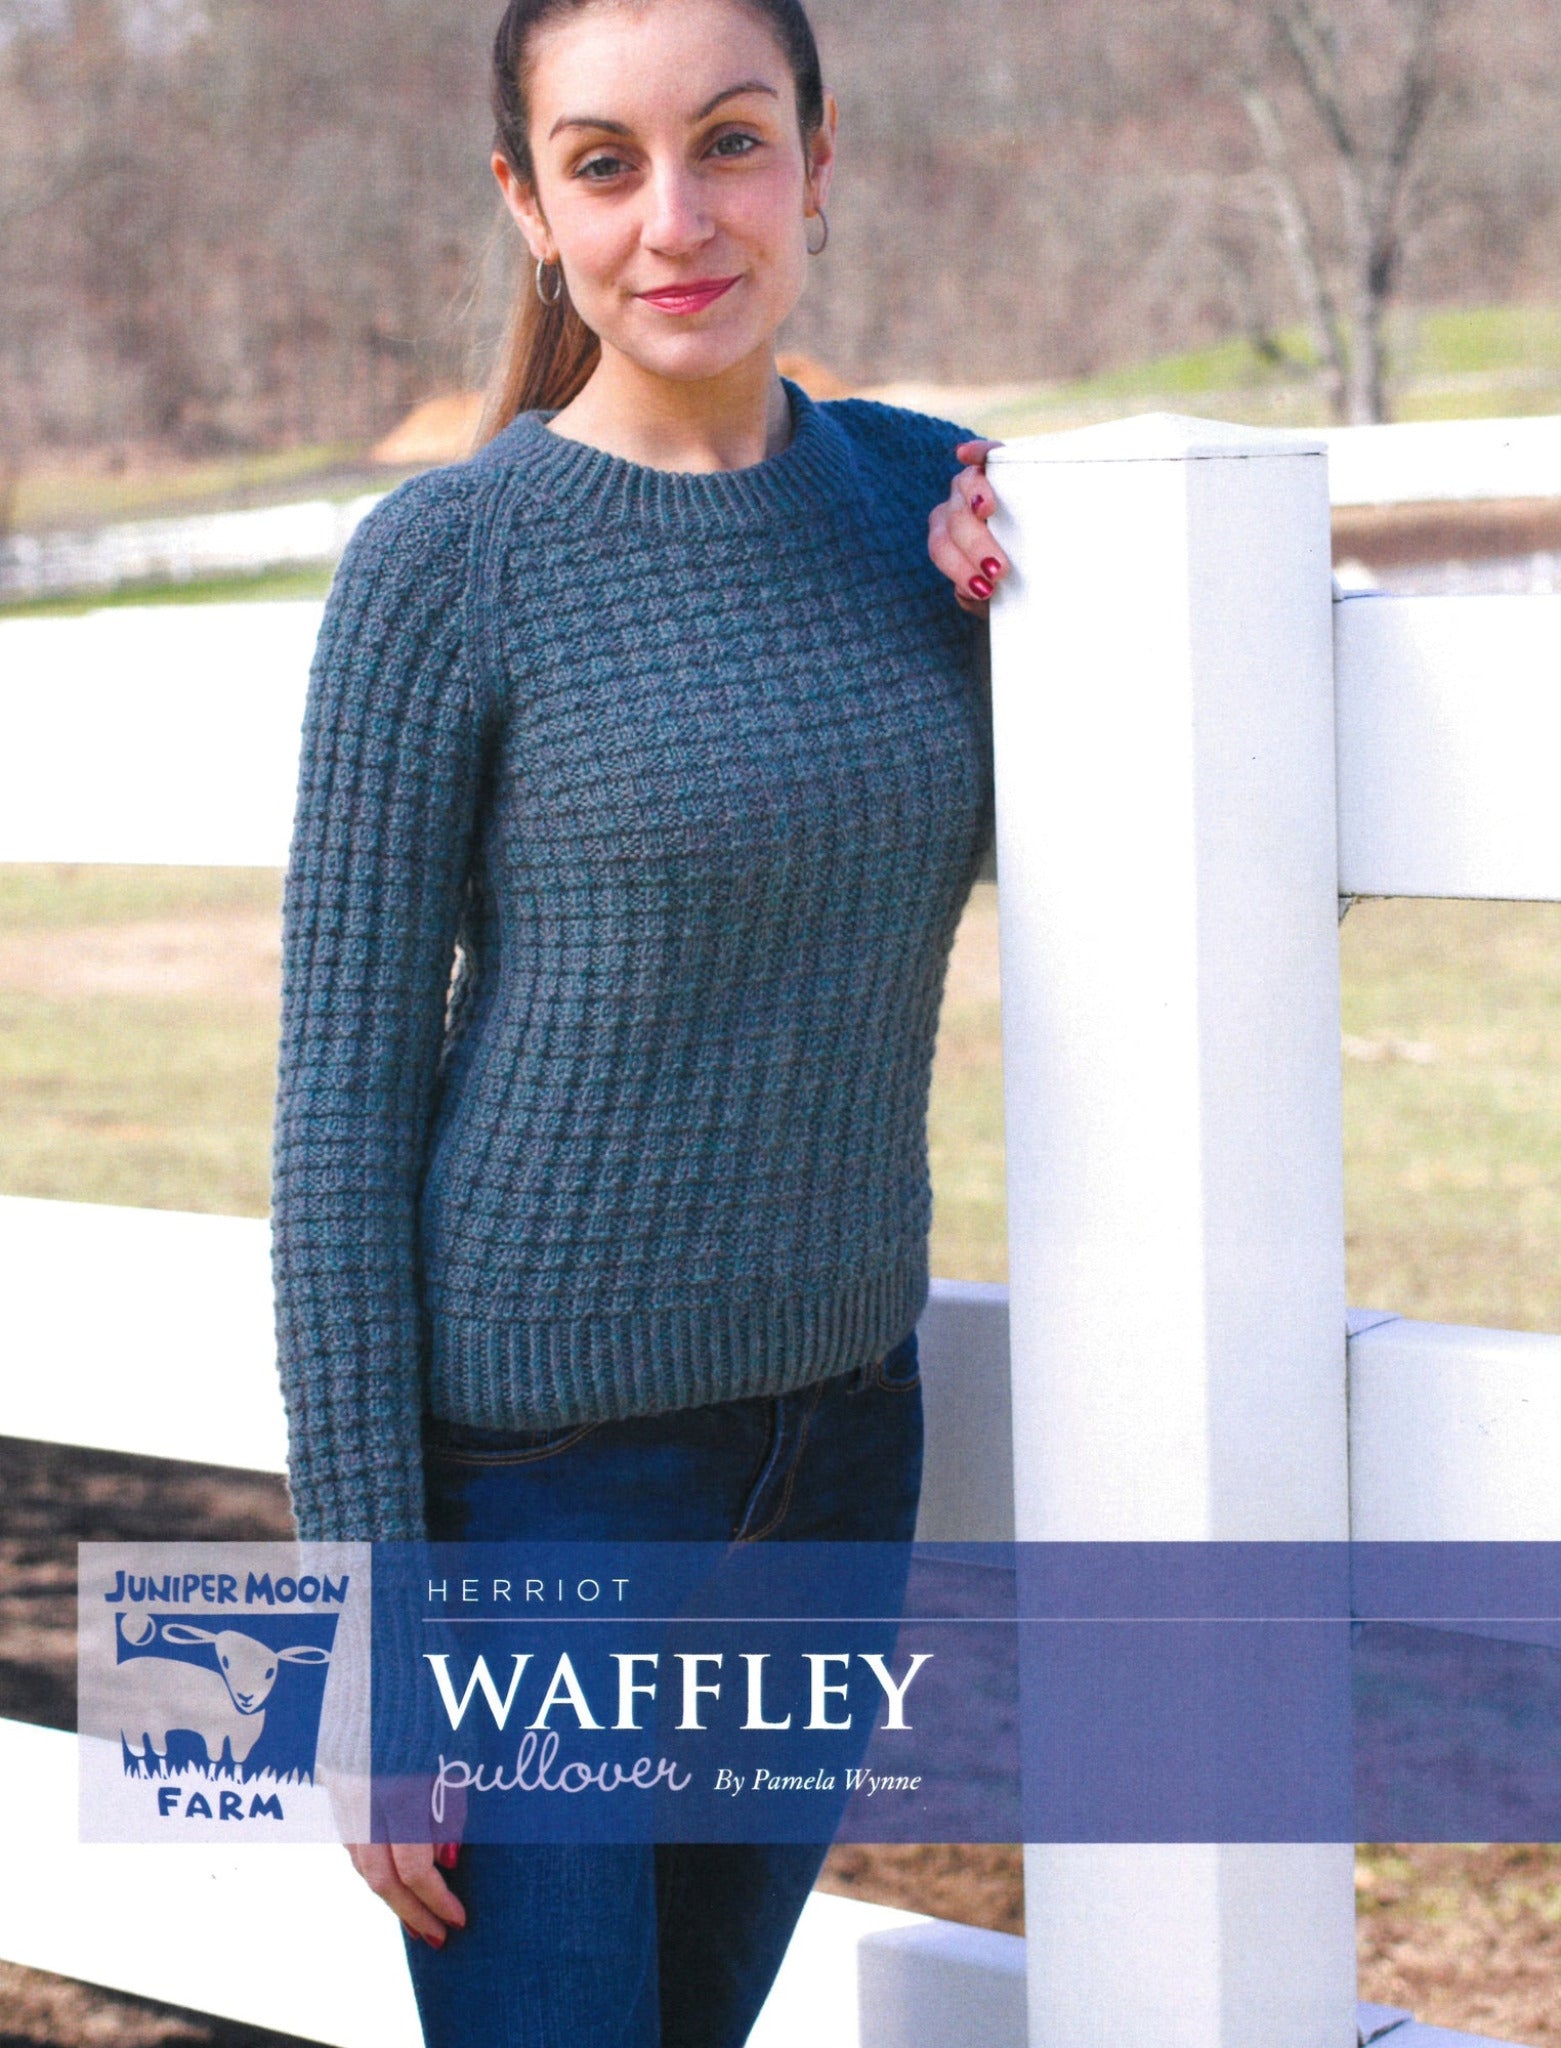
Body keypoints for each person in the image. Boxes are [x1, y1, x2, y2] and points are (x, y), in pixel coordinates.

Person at [269, 0, 1010, 2040]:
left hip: (841, 1452)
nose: (675, 217)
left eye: (732, 143)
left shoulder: (922, 503)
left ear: (820, 162)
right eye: (603, 161)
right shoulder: (448, 563)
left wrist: (1046, 635)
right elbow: (338, 1105)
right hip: (539, 1494)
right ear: (530, 205)